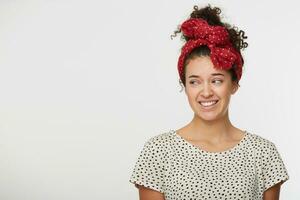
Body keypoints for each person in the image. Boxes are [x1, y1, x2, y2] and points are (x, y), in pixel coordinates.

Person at [129, 4, 289, 200]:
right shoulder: (158, 152)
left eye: (216, 81)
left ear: (234, 84)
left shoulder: (263, 153)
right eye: (194, 81)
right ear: (185, 86)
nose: (206, 92)